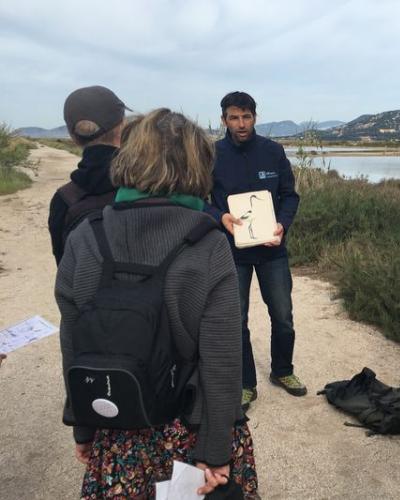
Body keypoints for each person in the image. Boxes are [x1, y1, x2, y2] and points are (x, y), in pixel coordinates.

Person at [56, 109, 257, 498]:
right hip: (190, 430)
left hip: (117, 425)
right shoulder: (208, 243)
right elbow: (221, 358)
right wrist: (216, 451)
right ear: (199, 165)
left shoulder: (86, 235)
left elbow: (74, 344)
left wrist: (83, 425)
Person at [206, 91, 304, 411]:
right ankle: (246, 384)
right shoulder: (212, 155)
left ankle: (283, 371)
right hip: (232, 253)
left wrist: (282, 225)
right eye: (234, 117)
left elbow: (290, 196)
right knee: (237, 321)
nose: (241, 123)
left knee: (283, 316)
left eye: (246, 116)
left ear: (255, 117)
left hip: (272, 251)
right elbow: (199, 200)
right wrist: (219, 216)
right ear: (224, 120)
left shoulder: (273, 152)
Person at [48, 85, 128, 265]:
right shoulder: (147, 186)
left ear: (72, 137)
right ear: (123, 127)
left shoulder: (64, 200)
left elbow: (63, 267)